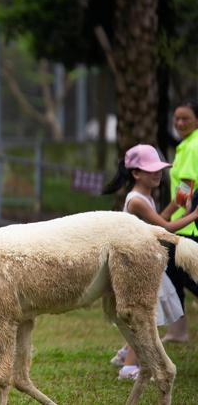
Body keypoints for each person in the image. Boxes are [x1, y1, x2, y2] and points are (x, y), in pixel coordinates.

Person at [102, 143, 198, 380]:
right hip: (137, 267)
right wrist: (195, 214)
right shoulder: (136, 200)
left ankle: (125, 353)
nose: (158, 173)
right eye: (151, 169)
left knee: (146, 317)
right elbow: (165, 228)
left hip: (146, 265)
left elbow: (159, 221)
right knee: (145, 319)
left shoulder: (145, 197)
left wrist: (177, 204)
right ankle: (128, 368)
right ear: (136, 173)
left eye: (159, 169)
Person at [164, 100, 198, 343]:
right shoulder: (188, 144)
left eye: (185, 118)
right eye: (176, 118)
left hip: (187, 225)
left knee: (185, 276)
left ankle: (178, 331)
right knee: (173, 275)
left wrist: (162, 217)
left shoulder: (192, 146)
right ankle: (178, 331)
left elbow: (185, 189)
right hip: (185, 223)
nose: (179, 123)